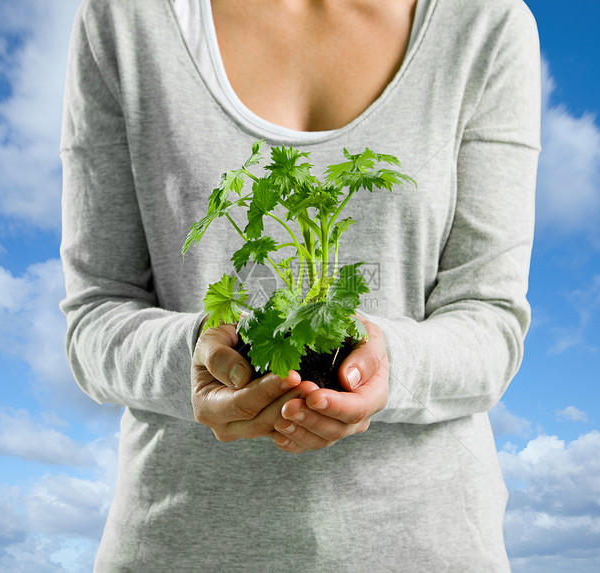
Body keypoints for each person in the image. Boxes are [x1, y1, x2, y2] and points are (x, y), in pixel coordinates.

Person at [59, 0, 541, 570]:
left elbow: (491, 319)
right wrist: (190, 354)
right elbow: (95, 315)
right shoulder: (126, 18)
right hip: (182, 544)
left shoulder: (485, 22)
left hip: (426, 544)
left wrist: (395, 365)